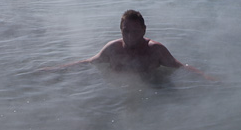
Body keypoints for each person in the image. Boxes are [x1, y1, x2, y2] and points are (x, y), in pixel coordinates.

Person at [46, 9, 213, 84]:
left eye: (135, 31)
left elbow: (181, 67)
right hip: (118, 89)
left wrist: (206, 77)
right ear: (120, 30)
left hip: (152, 87)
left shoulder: (155, 50)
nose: (130, 35)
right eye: (126, 31)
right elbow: (88, 63)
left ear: (144, 30)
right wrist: (55, 70)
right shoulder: (113, 49)